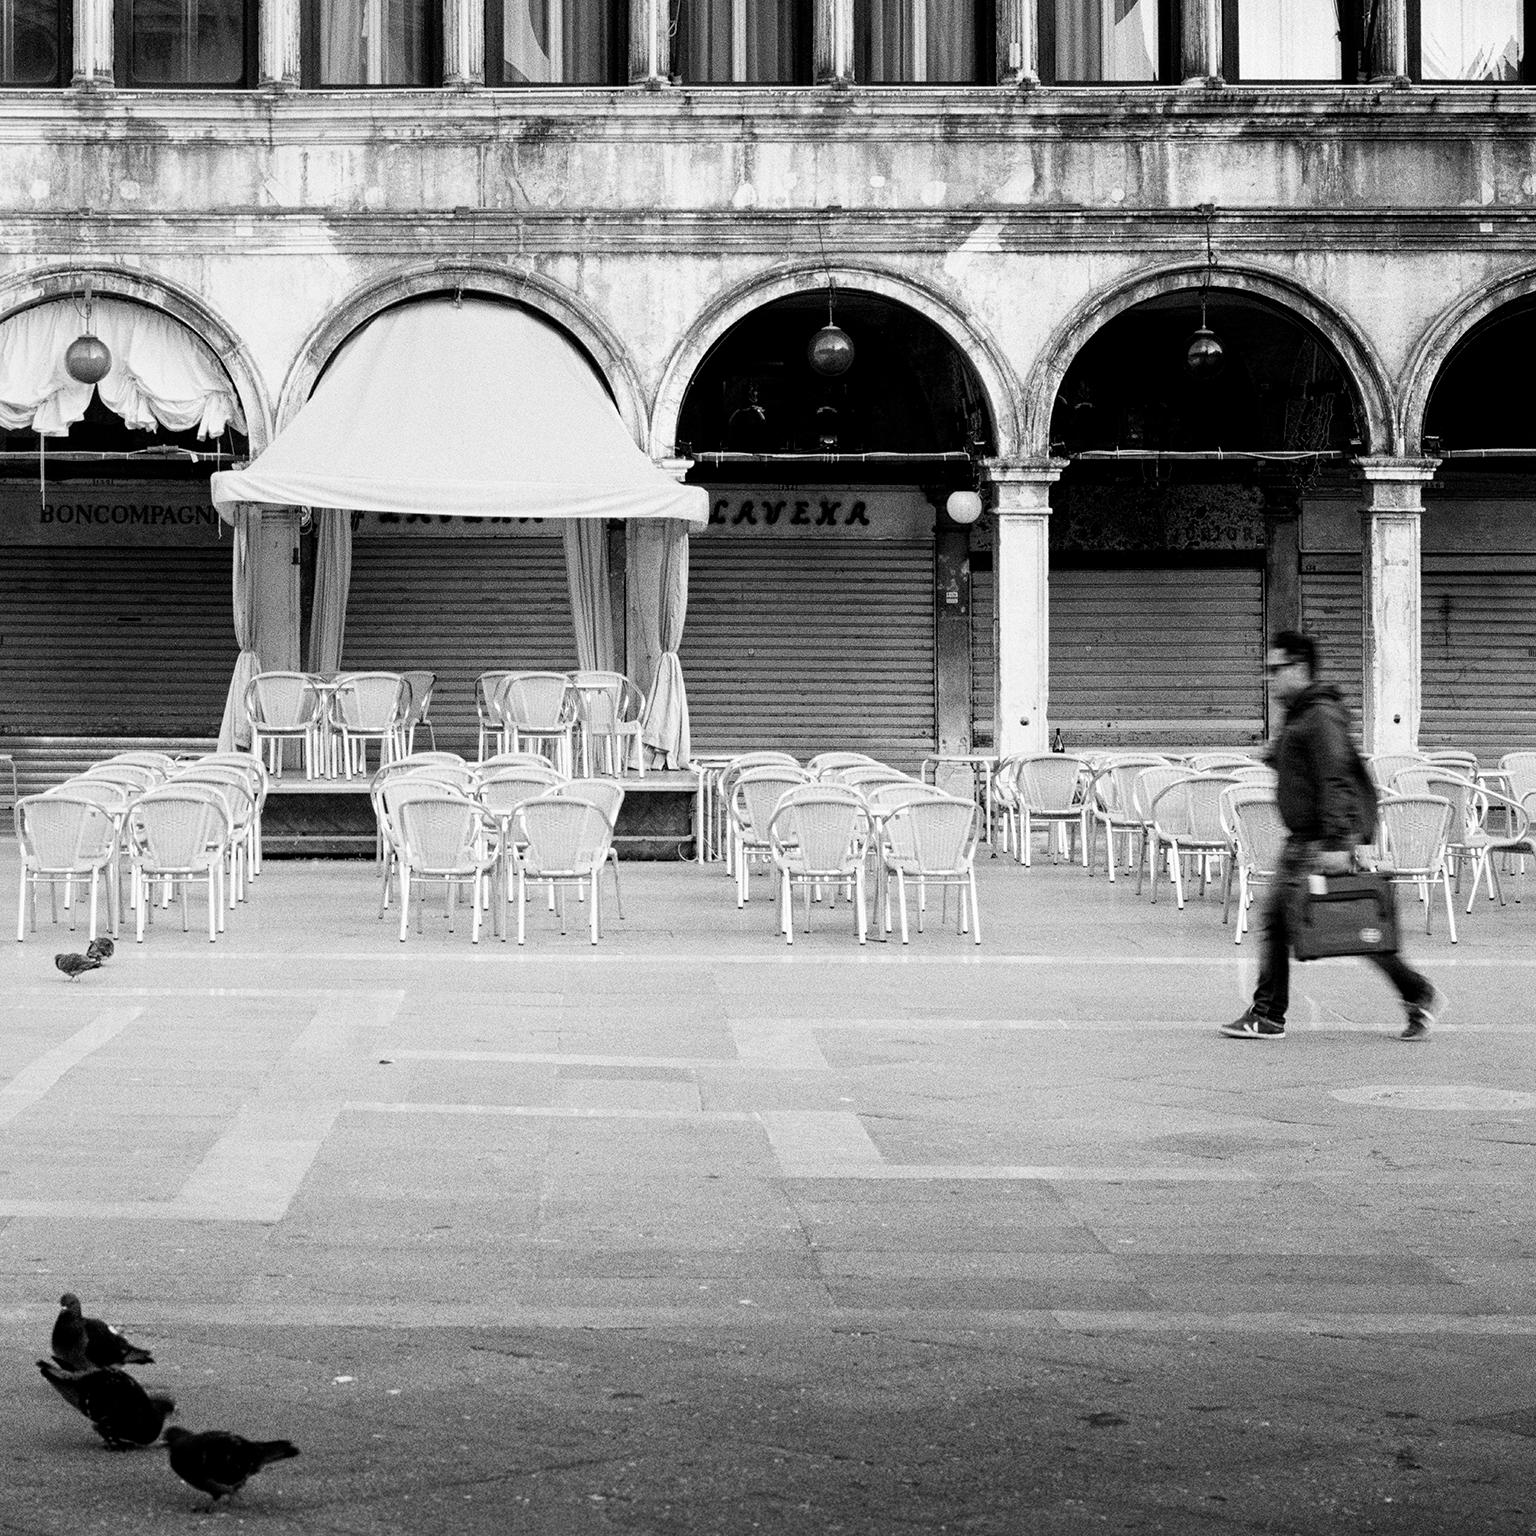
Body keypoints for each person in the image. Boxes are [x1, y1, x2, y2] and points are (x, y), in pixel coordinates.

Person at [1223, 629, 1443, 1042]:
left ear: (1300, 668)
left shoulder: (1320, 714)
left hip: (1318, 840)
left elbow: (1337, 778)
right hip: (1305, 838)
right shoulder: (1302, 713)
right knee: (1326, 922)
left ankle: (1269, 1014)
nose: (1270, 679)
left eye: (1276, 670)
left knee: (1340, 922)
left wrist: (1339, 844)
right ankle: (1415, 992)